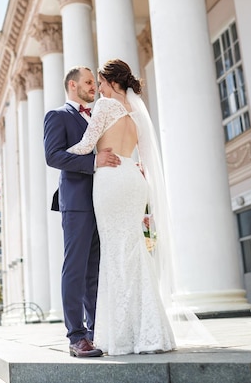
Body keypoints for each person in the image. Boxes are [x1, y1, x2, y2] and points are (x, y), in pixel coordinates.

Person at [67, 59, 214, 355]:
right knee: (133, 249)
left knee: (114, 253)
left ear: (109, 82)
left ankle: (122, 334)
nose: (99, 89)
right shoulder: (137, 113)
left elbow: (85, 146)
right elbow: (144, 159)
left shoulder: (105, 106)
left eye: (100, 82)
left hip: (110, 179)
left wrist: (61, 153)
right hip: (133, 179)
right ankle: (151, 330)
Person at [43, 66, 121, 358]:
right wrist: (93, 163)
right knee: (75, 268)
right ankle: (76, 337)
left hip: (103, 200)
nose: (94, 87)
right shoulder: (58, 116)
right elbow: (53, 156)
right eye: (89, 82)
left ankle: (95, 330)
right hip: (75, 202)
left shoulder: (98, 114)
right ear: (73, 85)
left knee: (94, 270)